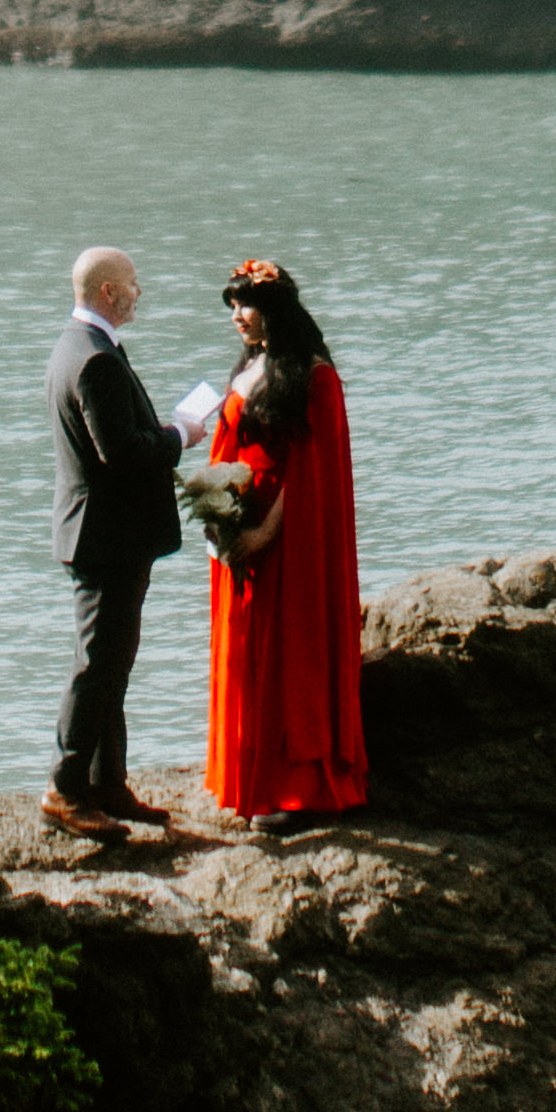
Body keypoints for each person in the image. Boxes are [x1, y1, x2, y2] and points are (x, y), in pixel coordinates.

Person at [200, 255, 366, 838]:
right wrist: (216, 518)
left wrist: (263, 532)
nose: (237, 316)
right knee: (246, 653)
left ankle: (294, 788)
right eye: (233, 306)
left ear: (275, 310)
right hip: (239, 523)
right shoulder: (252, 366)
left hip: (288, 536)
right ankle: (246, 778)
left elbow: (312, 474)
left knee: (287, 651)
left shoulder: (315, 376)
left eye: (246, 305)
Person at [42, 241, 183, 843]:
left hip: (102, 534)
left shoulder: (76, 347)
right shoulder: (96, 359)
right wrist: (180, 435)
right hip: (106, 538)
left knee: (114, 661)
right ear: (107, 292)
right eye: (131, 282)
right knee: (98, 664)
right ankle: (65, 789)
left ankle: (108, 781)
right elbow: (120, 452)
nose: (138, 291)